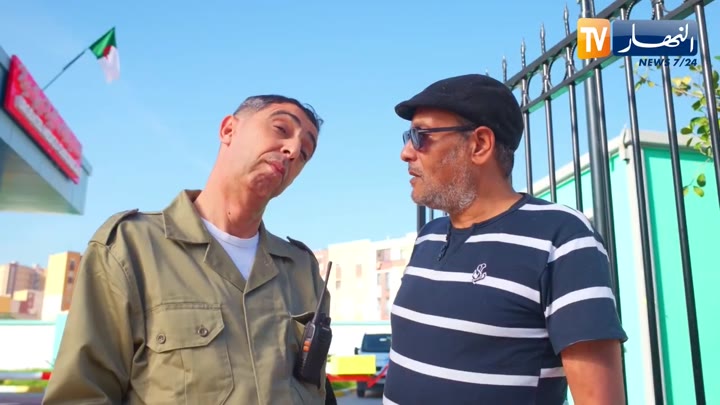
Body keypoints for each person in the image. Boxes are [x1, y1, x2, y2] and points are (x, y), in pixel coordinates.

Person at [43, 95, 336, 405]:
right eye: (280, 128)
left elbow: (314, 388)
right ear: (228, 130)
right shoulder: (131, 248)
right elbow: (81, 394)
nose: (293, 151)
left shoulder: (302, 269)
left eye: (305, 152)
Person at [383, 74, 627, 405]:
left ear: (480, 144)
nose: (406, 152)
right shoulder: (429, 237)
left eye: (420, 136)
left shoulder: (561, 237)